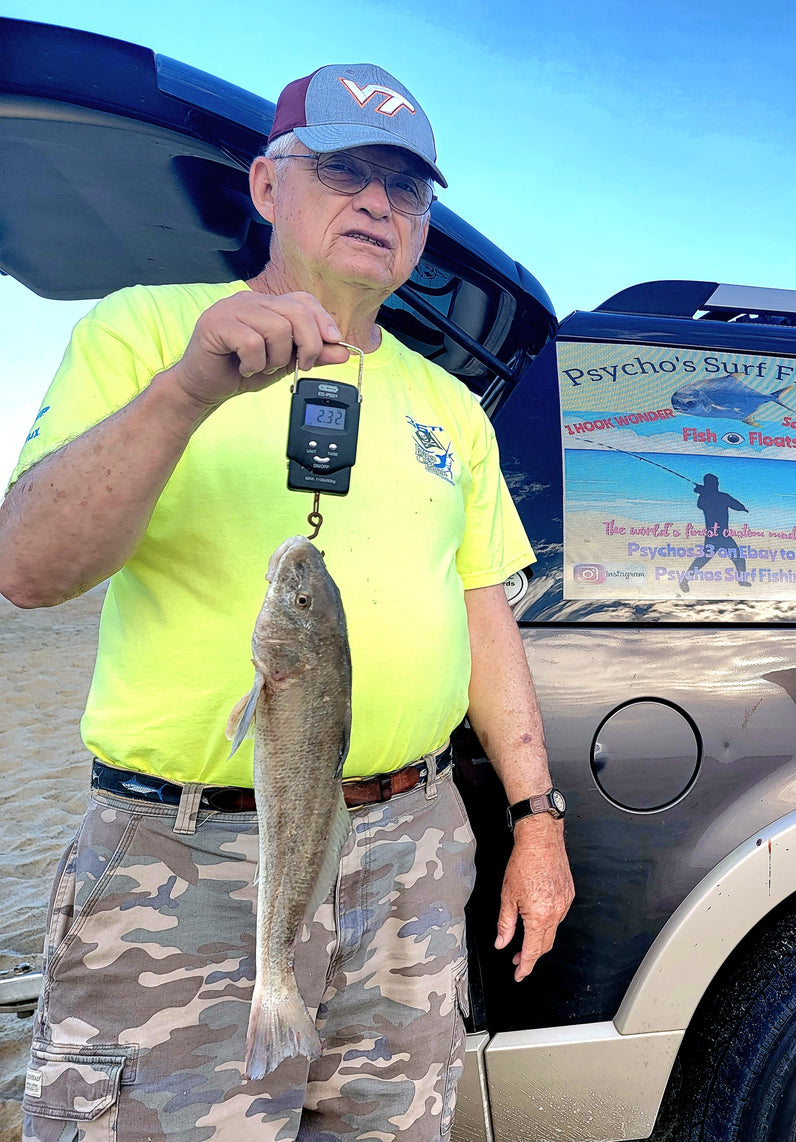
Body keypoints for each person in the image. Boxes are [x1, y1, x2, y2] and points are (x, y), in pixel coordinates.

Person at [0, 63, 573, 1141]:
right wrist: (188, 389)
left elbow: (482, 610)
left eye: (405, 190)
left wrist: (536, 818)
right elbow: (27, 569)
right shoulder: (145, 331)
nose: (377, 205)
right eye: (346, 172)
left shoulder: (449, 404)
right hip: (183, 862)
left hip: (413, 849)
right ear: (267, 186)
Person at [679, 472, 750, 591]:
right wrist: (703, 492)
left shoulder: (711, 496)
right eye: (715, 483)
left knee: (735, 557)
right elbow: (734, 505)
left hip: (719, 536)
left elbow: (735, 505)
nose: (717, 484)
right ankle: (685, 580)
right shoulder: (717, 497)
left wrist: (703, 492)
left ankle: (685, 580)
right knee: (705, 559)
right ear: (711, 484)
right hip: (716, 536)